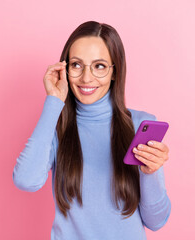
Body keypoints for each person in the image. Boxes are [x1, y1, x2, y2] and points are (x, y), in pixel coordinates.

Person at [13, 21, 171, 240]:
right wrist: (53, 102)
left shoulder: (140, 125)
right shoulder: (56, 127)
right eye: (77, 65)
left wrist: (150, 172)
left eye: (99, 66)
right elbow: (25, 180)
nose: (86, 78)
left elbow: (156, 221)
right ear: (65, 69)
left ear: (114, 71)